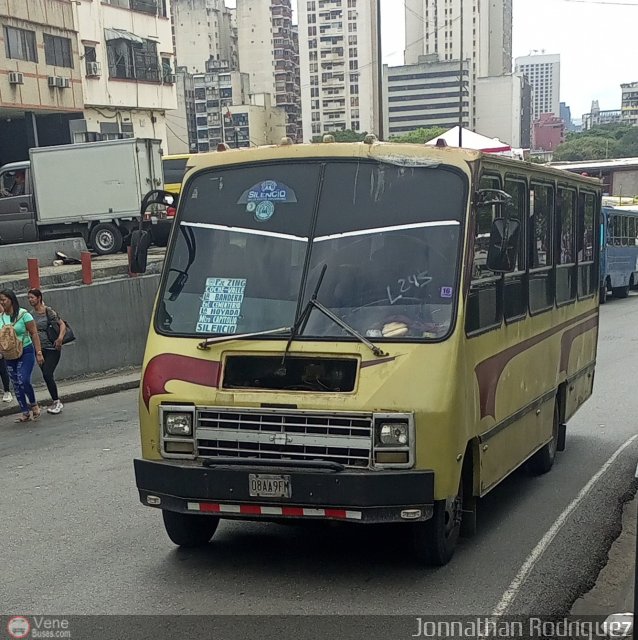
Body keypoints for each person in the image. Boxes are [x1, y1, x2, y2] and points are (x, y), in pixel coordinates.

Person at [0, 289, 43, 422]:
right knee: (16, 383)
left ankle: (33, 404)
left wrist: (39, 352)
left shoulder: (24, 314)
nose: (1, 302)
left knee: (23, 379)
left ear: (11, 300)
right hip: (9, 355)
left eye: (3, 300)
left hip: (26, 350)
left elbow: (34, 333)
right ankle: (25, 412)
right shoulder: (1, 317)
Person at [27, 289, 66, 414]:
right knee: (46, 375)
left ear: (39, 298)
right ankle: (55, 401)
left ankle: (57, 402)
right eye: (29, 298)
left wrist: (60, 338)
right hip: (39, 349)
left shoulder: (48, 311)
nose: (30, 300)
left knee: (48, 374)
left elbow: (62, 324)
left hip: (52, 348)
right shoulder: (30, 315)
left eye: (32, 297)